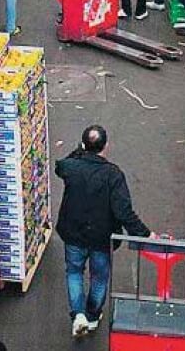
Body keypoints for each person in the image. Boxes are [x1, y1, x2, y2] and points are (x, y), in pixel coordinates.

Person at [56, 125, 151, 338]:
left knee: (74, 272)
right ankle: (92, 315)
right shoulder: (113, 175)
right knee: (99, 277)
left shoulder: (71, 166)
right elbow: (123, 211)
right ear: (106, 146)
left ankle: (77, 314)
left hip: (73, 233)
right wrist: (145, 234)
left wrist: (78, 150)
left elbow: (59, 166)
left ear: (83, 145)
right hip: (101, 237)